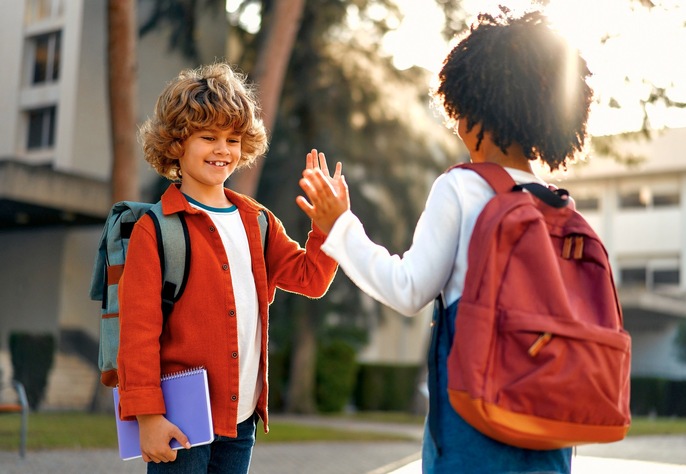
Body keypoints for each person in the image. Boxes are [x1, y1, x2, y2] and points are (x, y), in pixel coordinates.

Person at [296, 9, 593, 473]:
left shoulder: (461, 187)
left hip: (476, 429)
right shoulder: (559, 205)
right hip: (549, 430)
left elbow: (408, 289)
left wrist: (341, 225)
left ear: (475, 108)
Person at [116, 62, 338, 473]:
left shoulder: (258, 221)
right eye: (208, 137)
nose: (223, 150)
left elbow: (311, 279)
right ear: (177, 142)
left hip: (241, 422)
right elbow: (138, 332)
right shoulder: (156, 228)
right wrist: (146, 417)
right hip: (179, 421)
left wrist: (326, 227)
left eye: (233, 139)